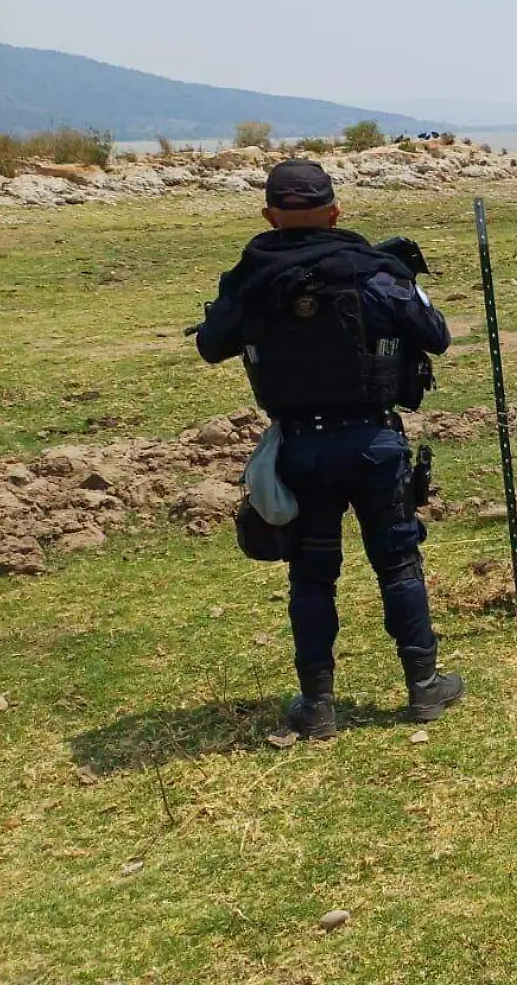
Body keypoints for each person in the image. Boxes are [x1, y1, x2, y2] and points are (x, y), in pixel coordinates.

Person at [196, 159, 462, 737]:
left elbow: (211, 345)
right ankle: (424, 689)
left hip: (302, 448)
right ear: (337, 211)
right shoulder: (375, 272)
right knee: (398, 563)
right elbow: (436, 334)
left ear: (269, 215)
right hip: (372, 442)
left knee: (313, 576)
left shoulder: (250, 278)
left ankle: (317, 706)